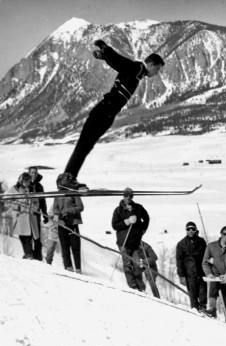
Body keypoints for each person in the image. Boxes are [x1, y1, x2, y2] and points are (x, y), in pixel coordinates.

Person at [61, 40, 165, 187]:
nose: (157, 73)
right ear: (152, 65)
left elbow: (120, 65)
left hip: (107, 113)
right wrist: (105, 49)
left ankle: (68, 178)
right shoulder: (136, 68)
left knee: (86, 145)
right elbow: (119, 62)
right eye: (158, 69)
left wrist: (103, 57)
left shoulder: (136, 71)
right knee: (84, 144)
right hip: (104, 111)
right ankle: (67, 178)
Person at [111, 187, 150, 291]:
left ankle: (141, 287)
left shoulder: (138, 208)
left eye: (130, 196)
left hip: (135, 242)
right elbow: (114, 225)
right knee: (127, 264)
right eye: (126, 195)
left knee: (137, 265)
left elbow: (146, 218)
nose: (128, 197)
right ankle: (133, 286)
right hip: (123, 242)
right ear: (123, 196)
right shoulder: (118, 210)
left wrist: (143, 229)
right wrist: (126, 221)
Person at [202, 226, 226, 319]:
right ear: (221, 234)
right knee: (213, 290)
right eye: (224, 234)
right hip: (216, 276)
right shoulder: (211, 246)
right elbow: (205, 262)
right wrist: (209, 274)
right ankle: (212, 309)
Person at [52, 173, 84, 273]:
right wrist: (59, 213)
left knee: (75, 247)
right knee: (65, 248)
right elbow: (55, 208)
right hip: (62, 223)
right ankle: (68, 268)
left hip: (73, 223)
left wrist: (69, 211)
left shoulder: (74, 193)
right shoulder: (58, 194)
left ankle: (78, 269)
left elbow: (80, 207)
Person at [7, 172, 40, 259]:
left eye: (29, 181)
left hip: (30, 217)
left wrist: (34, 208)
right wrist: (17, 205)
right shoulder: (14, 189)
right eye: (26, 181)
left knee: (29, 237)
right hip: (20, 216)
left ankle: (29, 255)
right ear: (21, 181)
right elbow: (7, 201)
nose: (28, 183)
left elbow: (36, 201)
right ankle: (28, 254)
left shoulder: (32, 189)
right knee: (23, 236)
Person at [176, 222, 207, 310]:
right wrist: (181, 276)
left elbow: (206, 257)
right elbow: (179, 261)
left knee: (203, 296)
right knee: (193, 299)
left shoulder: (201, 242)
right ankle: (196, 313)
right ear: (186, 231)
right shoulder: (181, 244)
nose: (190, 231)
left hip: (201, 274)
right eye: (188, 229)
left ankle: (204, 313)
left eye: (193, 229)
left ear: (196, 230)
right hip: (189, 275)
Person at [28, 166, 48, 260]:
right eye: (32, 172)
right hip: (26, 212)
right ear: (29, 173)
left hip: (36, 213)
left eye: (35, 173)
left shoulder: (40, 186)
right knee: (28, 234)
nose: (34, 174)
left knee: (37, 235)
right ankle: (29, 255)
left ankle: (38, 256)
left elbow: (43, 201)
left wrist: (45, 214)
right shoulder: (25, 184)